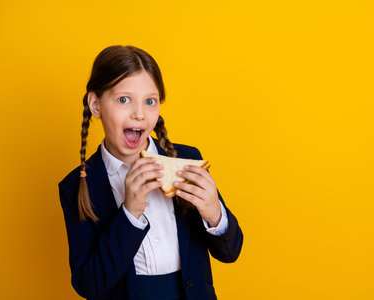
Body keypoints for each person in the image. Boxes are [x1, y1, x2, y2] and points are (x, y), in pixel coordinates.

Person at [58, 45, 243, 300]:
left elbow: (230, 252)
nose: (139, 113)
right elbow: (89, 285)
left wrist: (214, 213)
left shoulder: (188, 160)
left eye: (150, 101)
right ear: (96, 105)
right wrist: (130, 213)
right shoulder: (78, 186)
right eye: (124, 99)